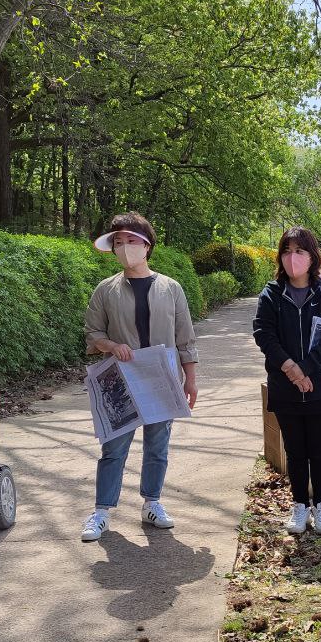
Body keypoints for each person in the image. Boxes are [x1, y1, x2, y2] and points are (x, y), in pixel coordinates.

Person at [81, 212, 199, 542]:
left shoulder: (170, 288)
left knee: (157, 444)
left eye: (131, 240)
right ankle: (102, 510)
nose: (124, 247)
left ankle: (152, 503)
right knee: (114, 445)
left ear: (147, 246)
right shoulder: (106, 290)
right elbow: (92, 333)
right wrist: (111, 345)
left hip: (162, 376)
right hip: (120, 377)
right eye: (118, 242)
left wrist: (190, 380)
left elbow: (185, 338)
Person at [252, 227, 321, 535]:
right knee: (294, 451)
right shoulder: (271, 294)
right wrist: (291, 369)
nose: (293, 258)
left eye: (300, 251)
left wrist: (305, 369)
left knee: (319, 450)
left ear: (312, 257)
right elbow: (264, 334)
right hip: (285, 386)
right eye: (287, 251)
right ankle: (299, 506)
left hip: (320, 385)